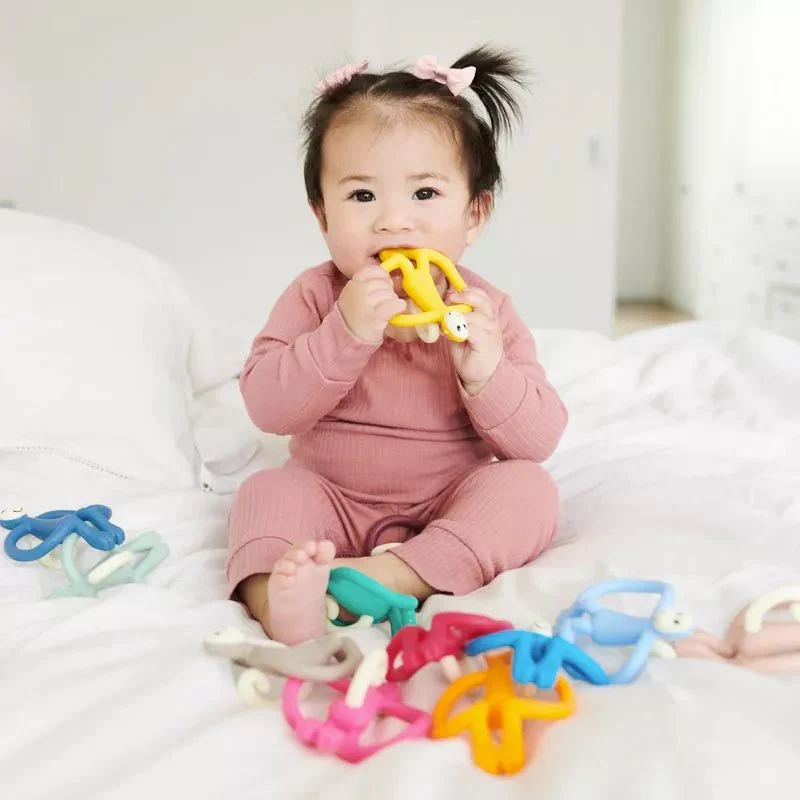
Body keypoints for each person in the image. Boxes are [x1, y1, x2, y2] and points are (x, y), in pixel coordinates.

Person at [226, 46, 568, 645]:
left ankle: (393, 574)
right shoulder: (315, 297)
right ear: (322, 216)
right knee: (266, 492)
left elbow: (538, 441)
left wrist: (488, 374)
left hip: (449, 499)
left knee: (528, 491)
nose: (393, 221)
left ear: (475, 214)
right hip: (330, 494)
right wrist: (345, 334)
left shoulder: (484, 310)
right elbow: (267, 407)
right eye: (362, 197)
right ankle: (281, 602)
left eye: (425, 194)